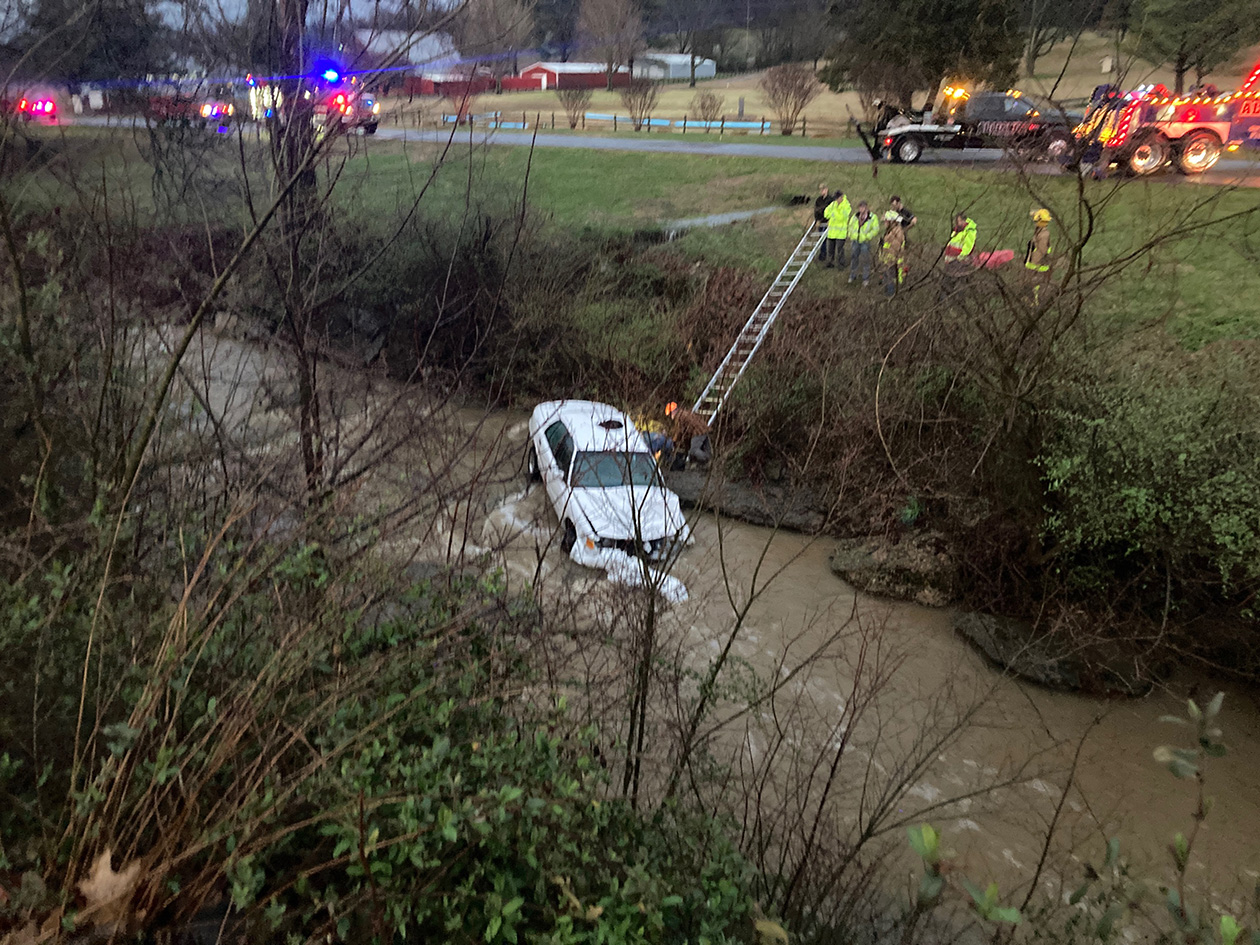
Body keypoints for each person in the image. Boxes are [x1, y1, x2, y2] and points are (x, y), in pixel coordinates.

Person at [664, 401, 712, 469]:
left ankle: (708, 460)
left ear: (673, 412)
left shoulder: (679, 417)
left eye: (670, 414)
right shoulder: (684, 412)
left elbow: (679, 431)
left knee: (694, 450)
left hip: (698, 432)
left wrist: (673, 440)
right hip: (704, 429)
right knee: (706, 451)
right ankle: (707, 463)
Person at [846, 201, 879, 287]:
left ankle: (865, 278)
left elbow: (875, 229)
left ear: (866, 208)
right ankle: (852, 275)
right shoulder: (855, 217)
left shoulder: (872, 218)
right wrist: (851, 235)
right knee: (854, 258)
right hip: (855, 241)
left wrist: (867, 236)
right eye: (860, 207)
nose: (861, 209)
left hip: (865, 242)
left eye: (863, 207)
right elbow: (850, 227)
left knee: (865, 260)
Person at [1025, 207, 1053, 303]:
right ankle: (1032, 299)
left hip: (1038, 263)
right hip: (1035, 261)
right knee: (1031, 281)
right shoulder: (1040, 231)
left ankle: (1035, 301)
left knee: (1035, 283)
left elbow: (1042, 250)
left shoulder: (1044, 235)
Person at [880, 209, 907, 297]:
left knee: (890, 281)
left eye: (886, 221)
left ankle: (890, 298)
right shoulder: (891, 231)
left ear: (892, 222)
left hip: (892, 262)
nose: (885, 223)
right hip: (887, 261)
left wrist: (889, 261)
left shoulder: (897, 233)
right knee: (886, 280)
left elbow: (895, 250)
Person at [822, 189, 851, 268]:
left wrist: (833, 214)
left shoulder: (846, 205)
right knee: (830, 249)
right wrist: (833, 214)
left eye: (837, 198)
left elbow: (842, 217)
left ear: (841, 197)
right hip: (832, 232)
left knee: (840, 250)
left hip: (841, 233)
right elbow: (826, 213)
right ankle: (830, 263)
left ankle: (841, 264)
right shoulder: (833, 204)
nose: (836, 200)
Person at [813, 183, 830, 262]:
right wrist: (817, 220)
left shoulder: (830, 199)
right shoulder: (818, 200)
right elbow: (816, 210)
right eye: (821, 190)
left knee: (825, 238)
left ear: (826, 189)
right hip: (820, 221)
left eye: (823, 189)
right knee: (821, 238)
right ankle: (822, 254)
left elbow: (830, 210)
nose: (822, 191)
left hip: (827, 222)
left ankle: (825, 255)